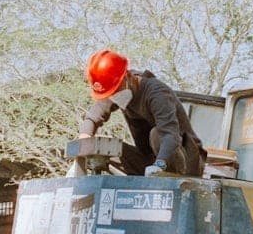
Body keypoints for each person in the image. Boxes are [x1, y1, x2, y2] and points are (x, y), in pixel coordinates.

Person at [78, 49, 206, 177]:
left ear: (127, 76)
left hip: (185, 160)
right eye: (110, 94)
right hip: (150, 160)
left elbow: (170, 136)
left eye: (116, 91)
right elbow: (92, 118)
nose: (114, 97)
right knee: (105, 148)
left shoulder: (157, 94)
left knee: (157, 134)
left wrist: (159, 165)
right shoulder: (114, 88)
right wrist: (83, 142)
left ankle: (168, 177)